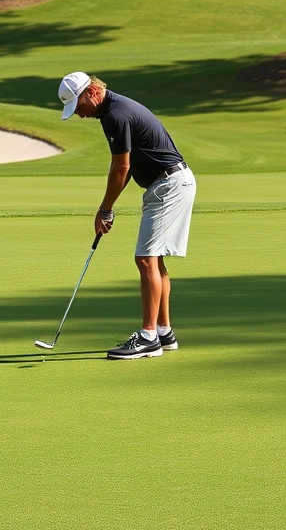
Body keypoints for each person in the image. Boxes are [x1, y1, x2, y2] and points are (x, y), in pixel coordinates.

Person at [57, 71, 197, 360]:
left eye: (79, 107)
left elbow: (121, 168)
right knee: (154, 259)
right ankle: (163, 332)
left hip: (167, 184)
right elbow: (130, 165)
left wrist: (105, 209)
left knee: (145, 259)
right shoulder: (115, 109)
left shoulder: (116, 115)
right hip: (173, 182)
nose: (80, 115)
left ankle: (148, 338)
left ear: (92, 93)